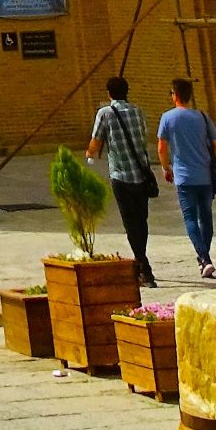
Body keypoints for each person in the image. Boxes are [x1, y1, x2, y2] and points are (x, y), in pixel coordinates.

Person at [87, 73, 157, 286]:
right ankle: (141, 260)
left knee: (130, 222)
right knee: (141, 221)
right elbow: (143, 136)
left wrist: (89, 155)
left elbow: (95, 143)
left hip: (121, 175)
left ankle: (144, 267)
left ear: (109, 94)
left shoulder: (105, 113)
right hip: (141, 174)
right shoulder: (137, 111)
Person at [157, 76, 216, 278]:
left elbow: (162, 147)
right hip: (205, 176)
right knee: (206, 217)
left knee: (190, 218)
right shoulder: (202, 117)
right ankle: (204, 258)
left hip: (184, 176)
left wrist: (166, 167)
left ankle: (204, 258)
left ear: (175, 95)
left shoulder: (168, 118)